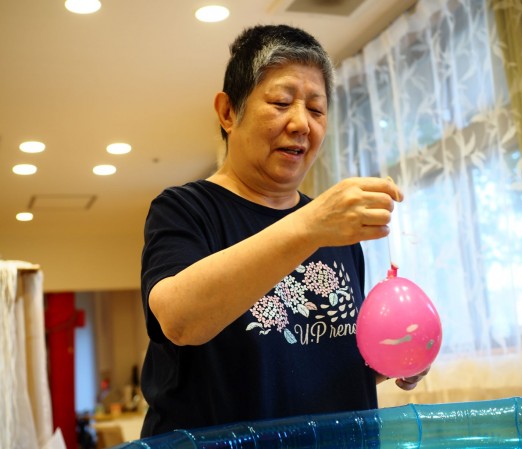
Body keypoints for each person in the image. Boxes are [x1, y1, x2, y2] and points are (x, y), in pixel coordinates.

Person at [140, 24, 428, 438]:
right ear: (228, 112)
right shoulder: (185, 209)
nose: (301, 124)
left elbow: (320, 361)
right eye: (281, 102)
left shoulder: (334, 229)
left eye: (316, 109)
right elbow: (179, 321)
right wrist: (311, 226)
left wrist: (395, 354)